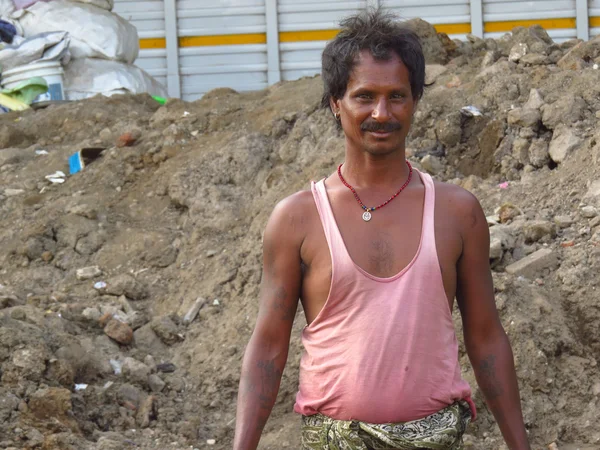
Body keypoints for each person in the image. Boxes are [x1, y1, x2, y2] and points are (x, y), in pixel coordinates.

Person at [234, 8, 530, 450]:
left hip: (437, 439)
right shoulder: (297, 219)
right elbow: (268, 348)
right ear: (336, 102)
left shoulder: (456, 212)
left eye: (397, 96)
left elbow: (486, 337)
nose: (381, 112)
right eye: (364, 96)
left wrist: (519, 445)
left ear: (414, 101)